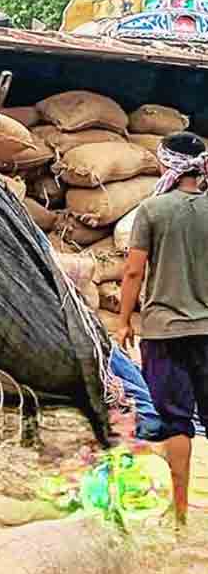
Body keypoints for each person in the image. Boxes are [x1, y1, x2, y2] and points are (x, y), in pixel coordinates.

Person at [116, 130, 208, 526]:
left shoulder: (152, 211)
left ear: (166, 164)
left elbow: (134, 270)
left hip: (164, 331)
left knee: (176, 422)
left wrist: (122, 320)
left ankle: (182, 511)